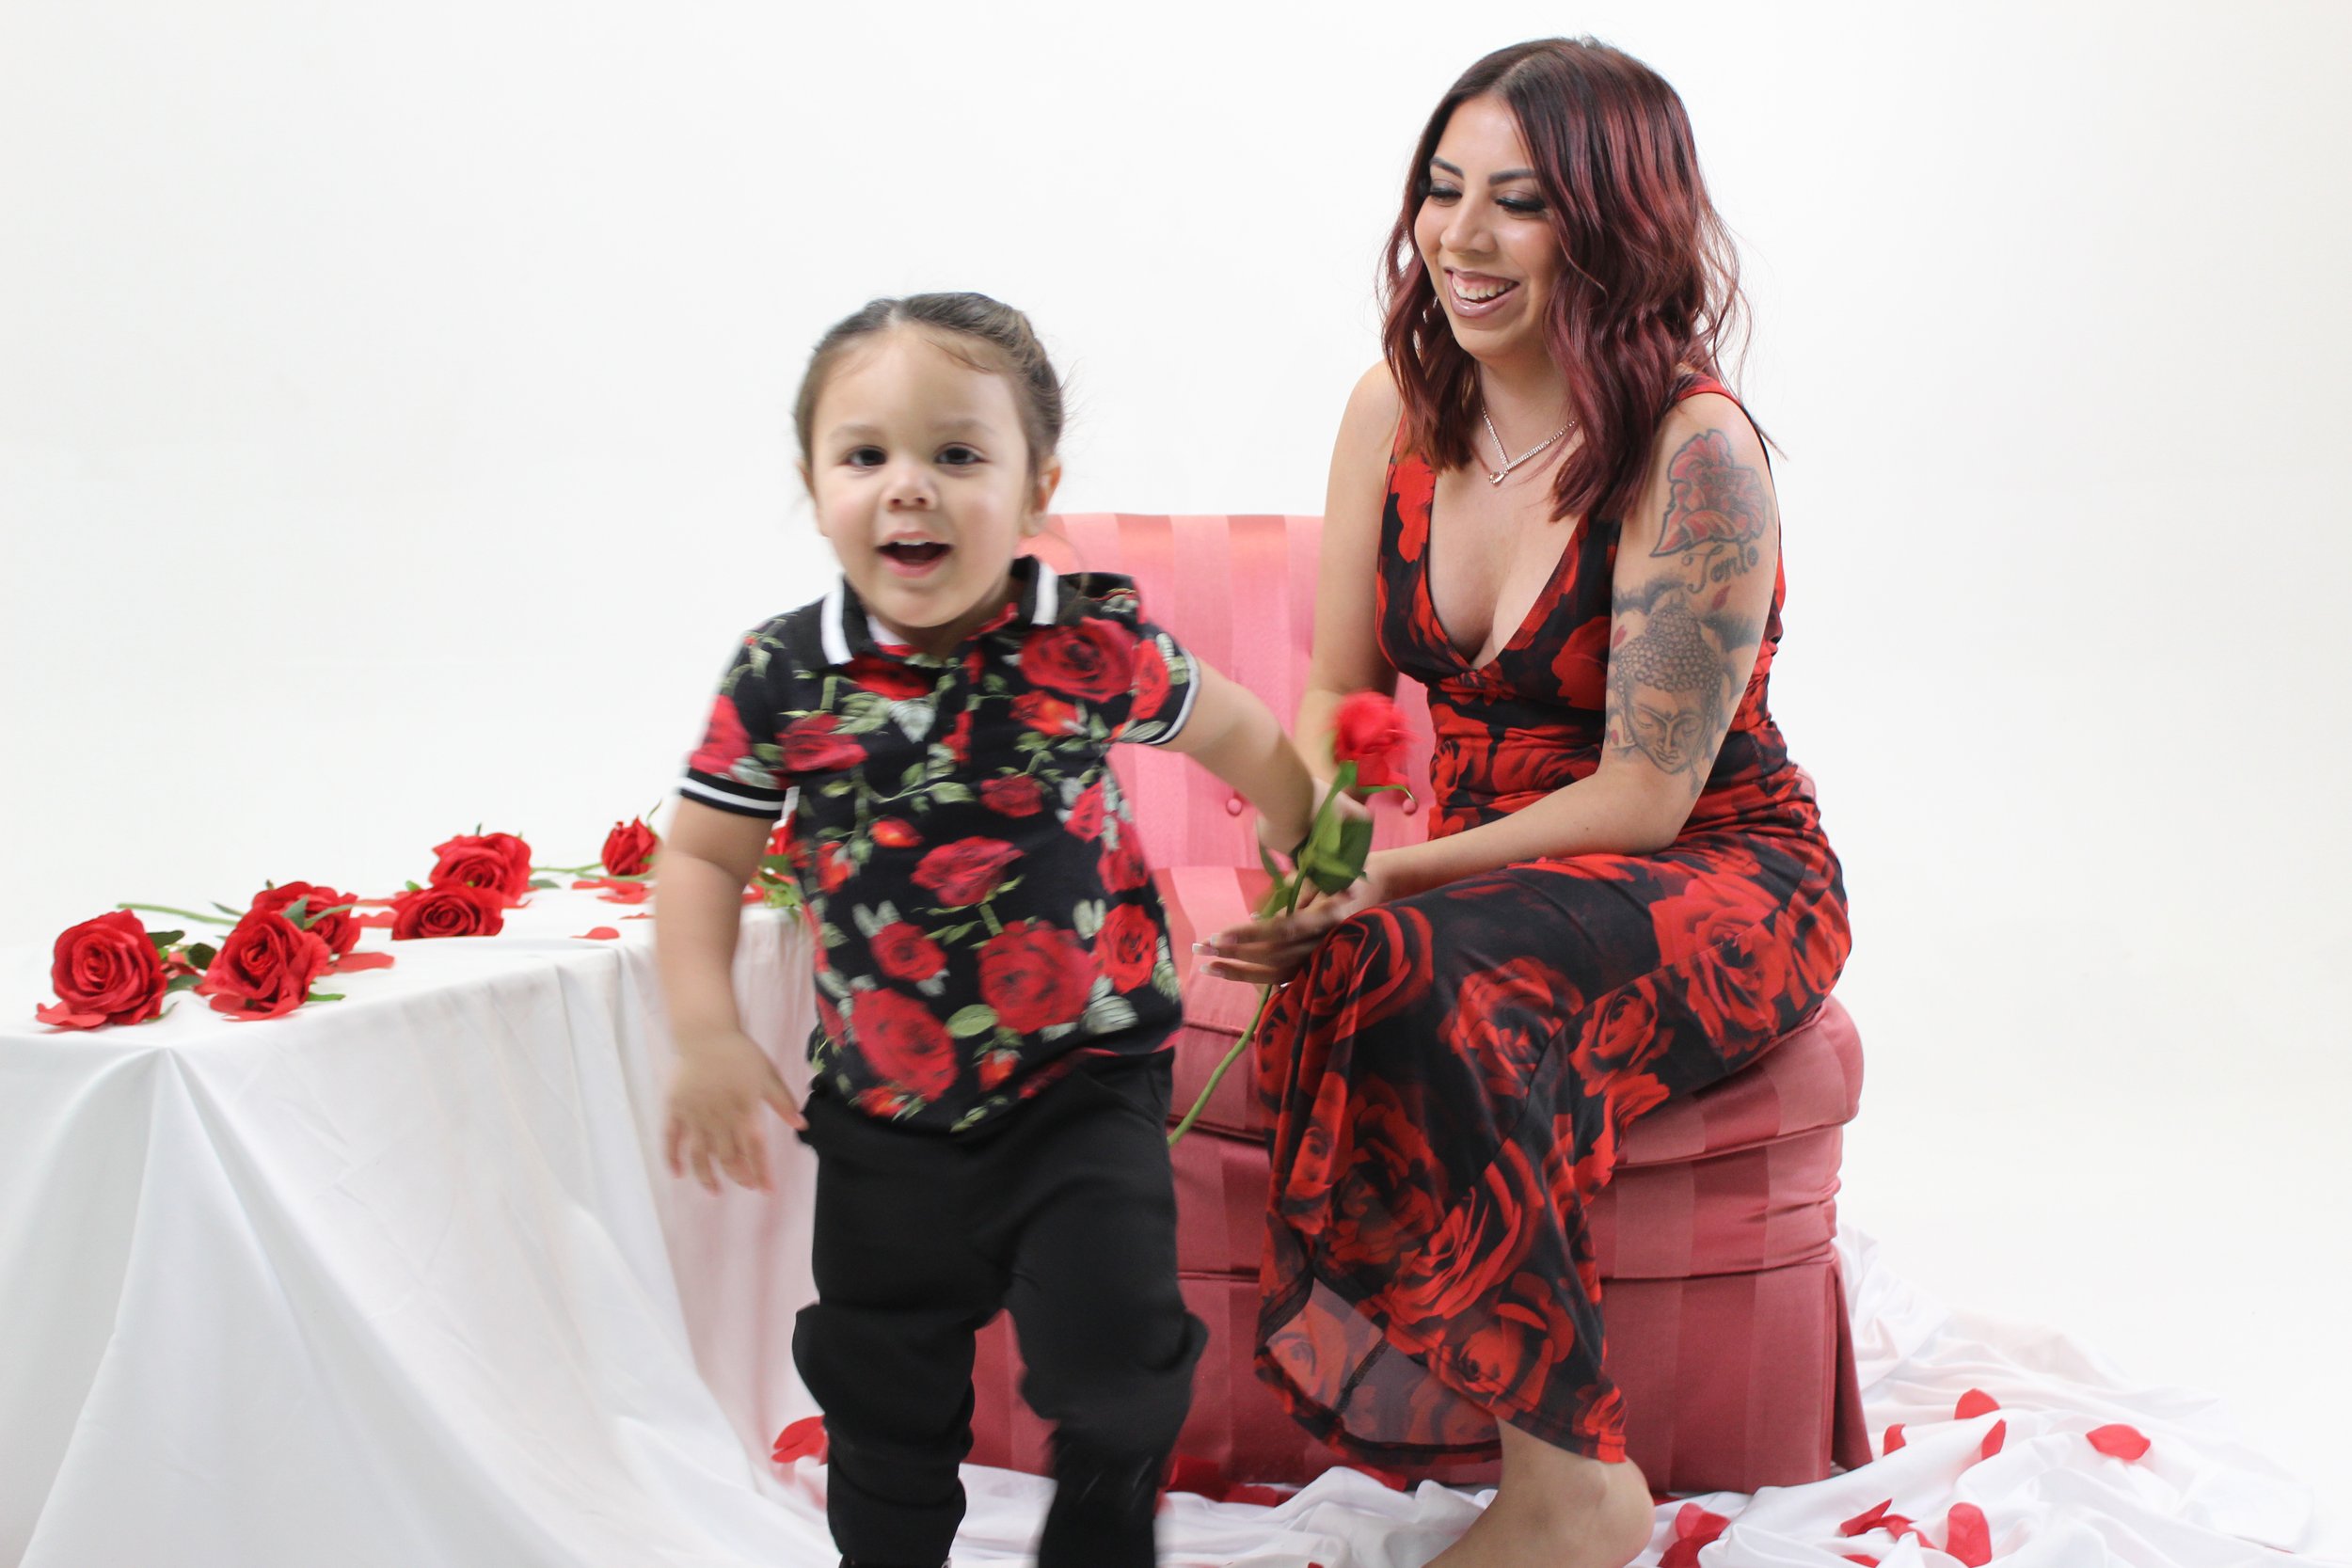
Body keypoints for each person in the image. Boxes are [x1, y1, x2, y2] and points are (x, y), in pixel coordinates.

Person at [1198, 40, 1853, 1568]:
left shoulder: (1693, 453)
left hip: (1712, 873)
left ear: (1614, 225)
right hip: (1490, 869)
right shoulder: (1395, 408)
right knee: (1379, 954)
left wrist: (1404, 880)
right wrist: (1325, 842)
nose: (1461, 240)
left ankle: (1573, 1483)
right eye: (1442, 192)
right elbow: (1347, 698)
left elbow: (1640, 795)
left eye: (1519, 204)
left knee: (1434, 961)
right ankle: (1549, 1466)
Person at [652, 292, 1320, 1568]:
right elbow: (702, 855)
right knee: (882, 1391)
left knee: (1118, 1351)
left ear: (1034, 490)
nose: (911, 490)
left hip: (1085, 1083)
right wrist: (705, 1030)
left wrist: (1303, 843)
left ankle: (1104, 1523)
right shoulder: (786, 674)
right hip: (883, 1115)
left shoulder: (1087, 639)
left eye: (958, 455)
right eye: (867, 457)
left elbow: (1237, 729)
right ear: (814, 484)